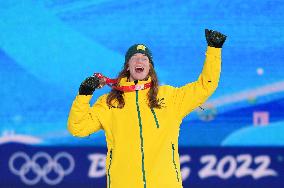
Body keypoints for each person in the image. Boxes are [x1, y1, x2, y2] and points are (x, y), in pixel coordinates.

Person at [67, 29, 227, 188]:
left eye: (144, 59)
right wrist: (84, 95)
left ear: (150, 67)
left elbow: (205, 86)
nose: (139, 61)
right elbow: (78, 128)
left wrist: (214, 50)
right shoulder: (110, 102)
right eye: (134, 58)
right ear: (127, 67)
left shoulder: (170, 97)